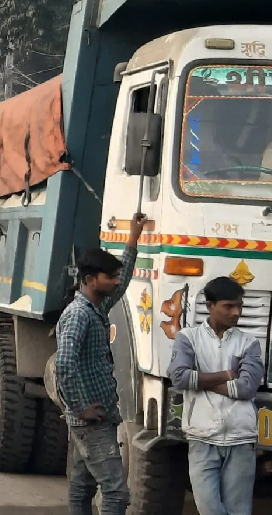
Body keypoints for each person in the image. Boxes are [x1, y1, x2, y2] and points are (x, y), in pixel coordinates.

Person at [55, 212, 145, 515]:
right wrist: (81, 408)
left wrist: (133, 237)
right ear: (91, 280)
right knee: (117, 493)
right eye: (110, 276)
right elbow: (64, 364)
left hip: (95, 417)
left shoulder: (96, 307)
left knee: (82, 488)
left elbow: (124, 283)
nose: (116, 281)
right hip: (91, 421)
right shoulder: (79, 314)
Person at [168, 276, 263, 515]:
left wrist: (199, 380)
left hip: (241, 439)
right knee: (209, 508)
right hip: (202, 436)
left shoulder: (249, 343)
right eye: (228, 306)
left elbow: (246, 388)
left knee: (238, 511)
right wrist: (226, 374)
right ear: (210, 306)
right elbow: (179, 377)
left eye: (239, 306)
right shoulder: (188, 338)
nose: (236, 312)